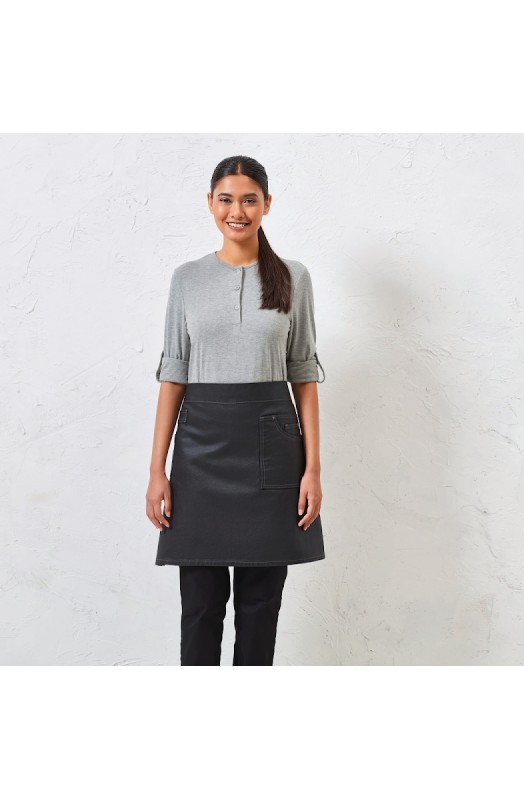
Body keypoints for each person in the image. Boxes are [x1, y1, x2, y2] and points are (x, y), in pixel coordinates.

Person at [146, 155, 326, 666]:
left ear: (266, 204)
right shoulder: (187, 279)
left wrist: (312, 470)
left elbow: (304, 375)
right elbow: (173, 374)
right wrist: (157, 471)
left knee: (260, 607)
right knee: (200, 607)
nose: (237, 211)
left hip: (272, 453)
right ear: (210, 203)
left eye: (249, 200)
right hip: (201, 450)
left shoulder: (293, 277)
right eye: (226, 199)